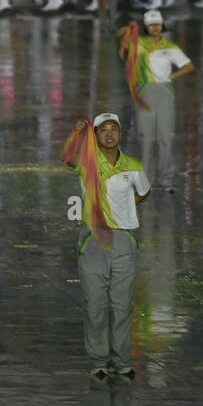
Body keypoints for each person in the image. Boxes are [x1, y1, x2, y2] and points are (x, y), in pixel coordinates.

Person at [61, 114, 150, 379]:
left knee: (122, 304)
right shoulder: (87, 163)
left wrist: (124, 211)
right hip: (92, 241)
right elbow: (65, 157)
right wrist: (74, 134)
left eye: (114, 129)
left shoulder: (132, 165)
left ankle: (121, 361)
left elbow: (144, 191)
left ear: (121, 134)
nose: (109, 134)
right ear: (96, 135)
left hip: (124, 240)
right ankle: (99, 360)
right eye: (103, 130)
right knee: (95, 303)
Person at [117, 10, 194, 193]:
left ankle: (166, 180)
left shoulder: (170, 47)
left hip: (165, 92)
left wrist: (172, 76)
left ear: (162, 26)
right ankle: (145, 181)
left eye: (157, 24)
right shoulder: (138, 44)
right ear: (146, 27)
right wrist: (130, 27)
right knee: (145, 138)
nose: (155, 27)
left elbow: (189, 66)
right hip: (145, 92)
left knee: (165, 137)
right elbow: (120, 36)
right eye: (151, 24)